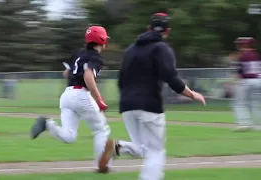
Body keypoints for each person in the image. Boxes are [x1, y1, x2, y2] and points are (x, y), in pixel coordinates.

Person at [98, 13, 206, 179]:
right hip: (149, 105)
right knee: (156, 151)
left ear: (148, 28)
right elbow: (171, 77)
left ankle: (118, 147)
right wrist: (192, 94)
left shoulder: (130, 50)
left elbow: (121, 81)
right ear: (167, 31)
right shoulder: (161, 48)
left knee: (143, 148)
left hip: (127, 105)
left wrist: (129, 98)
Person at [30, 26, 112, 172]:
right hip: (81, 94)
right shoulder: (96, 57)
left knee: (69, 136)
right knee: (101, 130)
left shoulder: (79, 53)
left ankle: (47, 124)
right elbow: (88, 76)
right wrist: (98, 99)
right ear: (101, 39)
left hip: (67, 95)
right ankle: (102, 167)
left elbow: (66, 73)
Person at [231, 37, 261, 131]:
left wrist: (235, 82)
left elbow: (239, 71)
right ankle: (258, 125)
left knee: (239, 103)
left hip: (246, 80)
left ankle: (244, 123)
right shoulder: (257, 55)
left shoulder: (242, 55)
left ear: (244, 45)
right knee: (255, 104)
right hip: (258, 80)